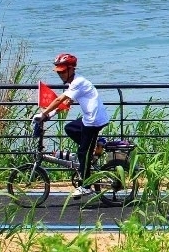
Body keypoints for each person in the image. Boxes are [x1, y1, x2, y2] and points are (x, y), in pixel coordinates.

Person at [34, 52, 112, 197]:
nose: (61, 75)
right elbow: (65, 103)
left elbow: (59, 100)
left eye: (63, 71)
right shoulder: (73, 84)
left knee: (83, 153)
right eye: (59, 72)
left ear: (71, 69)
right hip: (89, 119)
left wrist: (43, 113)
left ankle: (87, 186)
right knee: (69, 128)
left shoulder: (78, 82)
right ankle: (94, 146)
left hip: (94, 121)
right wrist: (50, 114)